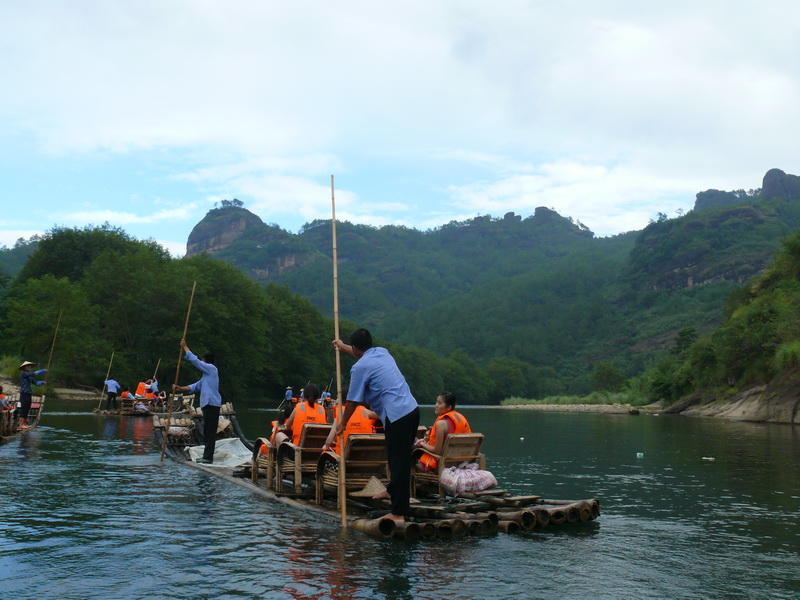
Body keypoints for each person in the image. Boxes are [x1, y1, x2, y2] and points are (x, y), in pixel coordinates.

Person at [329, 328, 419, 524]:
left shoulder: (359, 368)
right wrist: (342, 346)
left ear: (355, 347)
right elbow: (361, 355)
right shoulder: (382, 352)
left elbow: (352, 401)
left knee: (399, 462)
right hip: (411, 409)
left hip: (398, 416)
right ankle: (393, 491)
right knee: (395, 456)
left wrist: (342, 424)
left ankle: (398, 512)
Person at [172, 339, 221, 464]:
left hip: (212, 404)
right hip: (208, 405)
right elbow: (193, 387)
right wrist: (179, 388)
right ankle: (207, 456)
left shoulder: (212, 369)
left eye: (202, 360)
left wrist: (185, 347)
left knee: (210, 431)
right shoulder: (206, 377)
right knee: (207, 431)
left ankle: (208, 457)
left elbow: (195, 361)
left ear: (205, 360)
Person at [414, 392, 471, 471]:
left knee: (411, 442)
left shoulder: (441, 424)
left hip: (439, 463)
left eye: (439, 403)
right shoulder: (460, 418)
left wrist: (422, 444)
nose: (436, 405)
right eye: (436, 402)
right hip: (458, 462)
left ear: (448, 407)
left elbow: (437, 451)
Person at [326, 386, 378, 455]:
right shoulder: (364, 411)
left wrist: (326, 446)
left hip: (346, 456)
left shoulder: (340, 414)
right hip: (365, 455)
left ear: (341, 399)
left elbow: (329, 441)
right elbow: (379, 415)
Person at [18, 361, 46, 430]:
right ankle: (21, 424)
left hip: (28, 393)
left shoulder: (30, 376)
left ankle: (24, 423)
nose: (29, 367)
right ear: (24, 367)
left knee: (27, 407)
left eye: (29, 366)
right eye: (27, 366)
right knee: (24, 407)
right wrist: (41, 371)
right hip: (24, 393)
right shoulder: (24, 373)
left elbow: (36, 382)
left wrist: (42, 382)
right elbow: (34, 374)